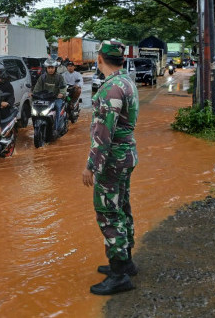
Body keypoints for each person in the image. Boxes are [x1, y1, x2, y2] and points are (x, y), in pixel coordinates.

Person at [82, 40, 139, 296]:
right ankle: (125, 261)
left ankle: (119, 275)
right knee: (122, 206)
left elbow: (103, 133)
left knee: (108, 212)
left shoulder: (110, 89)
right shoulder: (126, 82)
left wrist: (91, 166)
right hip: (126, 155)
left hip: (111, 160)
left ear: (100, 58)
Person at [33, 58, 66, 134]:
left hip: (56, 98)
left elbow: (63, 87)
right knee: (35, 107)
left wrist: (62, 94)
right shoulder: (42, 77)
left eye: (52, 68)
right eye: (49, 68)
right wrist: (33, 93)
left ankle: (56, 128)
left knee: (57, 107)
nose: (50, 70)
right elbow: (37, 88)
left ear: (55, 68)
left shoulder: (59, 77)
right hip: (45, 98)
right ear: (46, 68)